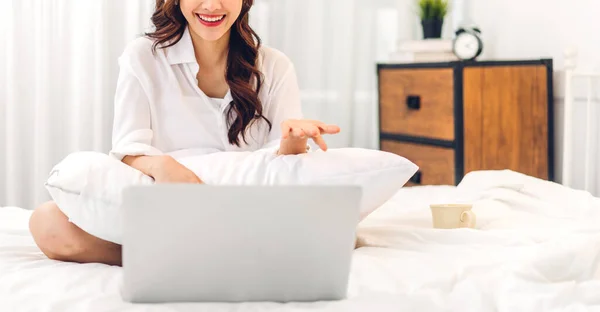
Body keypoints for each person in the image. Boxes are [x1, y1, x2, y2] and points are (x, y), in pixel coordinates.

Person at [28, 0, 340, 266]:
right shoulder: (144, 57)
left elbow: (284, 173)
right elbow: (127, 149)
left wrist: (295, 139)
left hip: (245, 213)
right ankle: (214, 258)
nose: (212, 5)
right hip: (171, 211)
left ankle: (201, 257)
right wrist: (164, 167)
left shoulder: (273, 66)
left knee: (338, 227)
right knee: (47, 222)